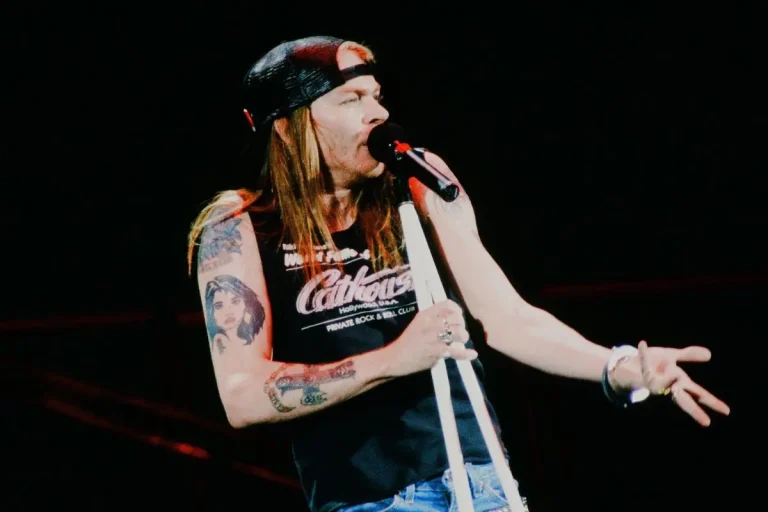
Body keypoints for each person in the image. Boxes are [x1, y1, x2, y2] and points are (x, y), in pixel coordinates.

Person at [186, 35, 730, 512]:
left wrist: (620, 368)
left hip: (480, 480)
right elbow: (244, 395)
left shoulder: (416, 184)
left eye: (376, 95)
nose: (376, 112)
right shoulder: (238, 226)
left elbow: (507, 317)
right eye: (351, 100)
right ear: (289, 126)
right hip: (370, 499)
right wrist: (395, 359)